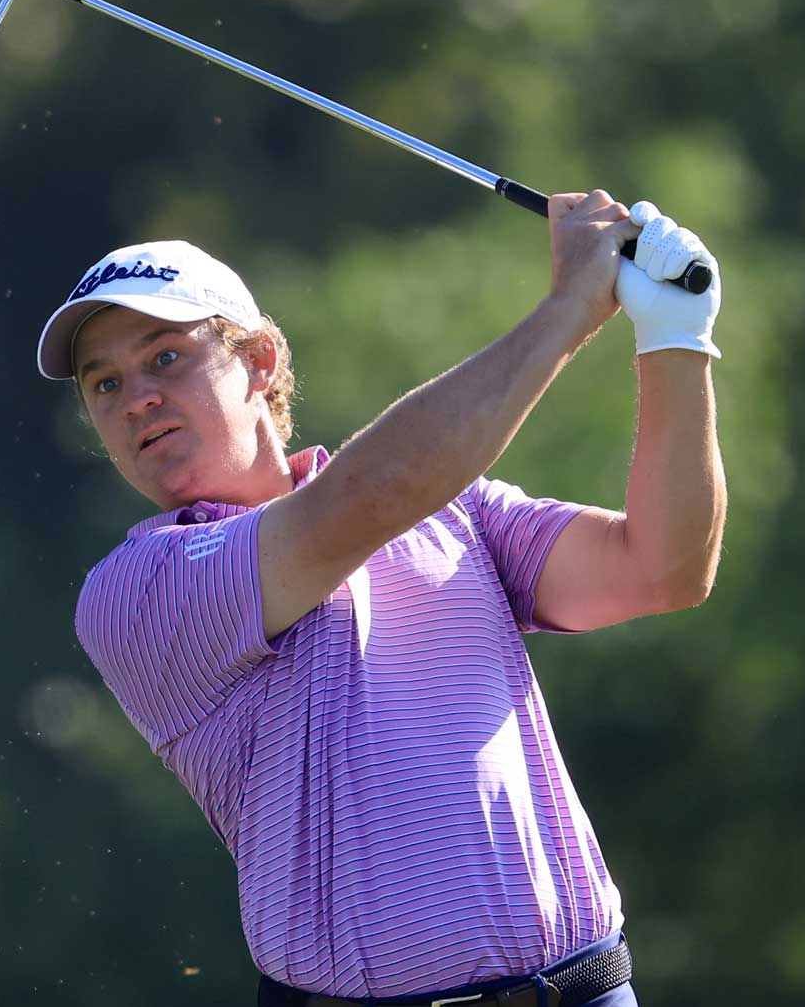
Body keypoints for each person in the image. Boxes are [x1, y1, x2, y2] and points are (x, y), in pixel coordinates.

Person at [36, 191, 727, 1007]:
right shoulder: (136, 592)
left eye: (164, 359)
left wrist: (676, 339)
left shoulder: (456, 508)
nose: (135, 399)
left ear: (260, 362)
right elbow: (360, 504)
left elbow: (664, 567)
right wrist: (571, 309)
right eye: (104, 384)